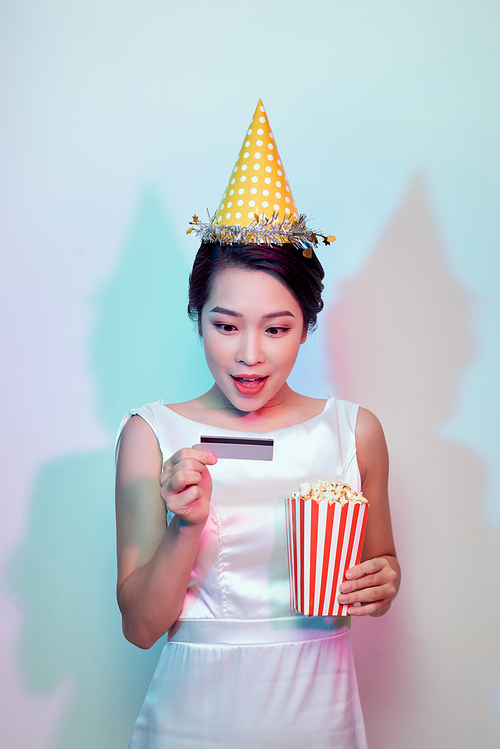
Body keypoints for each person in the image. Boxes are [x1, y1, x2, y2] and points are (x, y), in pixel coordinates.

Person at [115, 102, 400, 749]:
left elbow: (381, 565)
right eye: (225, 324)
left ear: (306, 324)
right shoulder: (150, 433)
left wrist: (382, 581)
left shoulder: (355, 432)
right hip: (190, 721)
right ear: (197, 316)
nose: (249, 354)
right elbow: (139, 624)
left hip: (320, 715)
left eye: (276, 328)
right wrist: (185, 522)